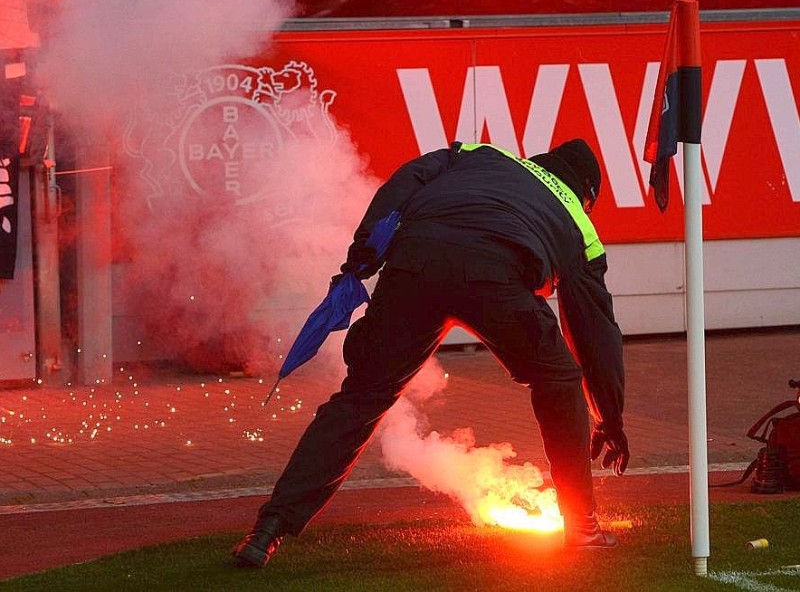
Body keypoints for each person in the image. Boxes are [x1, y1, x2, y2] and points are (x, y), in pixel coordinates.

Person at [232, 139, 629, 567]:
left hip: (413, 262)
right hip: (497, 277)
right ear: (586, 194)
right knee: (559, 380)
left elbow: (407, 179)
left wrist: (364, 252)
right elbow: (594, 332)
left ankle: (268, 529)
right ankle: (583, 528)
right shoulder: (579, 222)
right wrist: (608, 416)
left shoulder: (478, 154)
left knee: (363, 396)